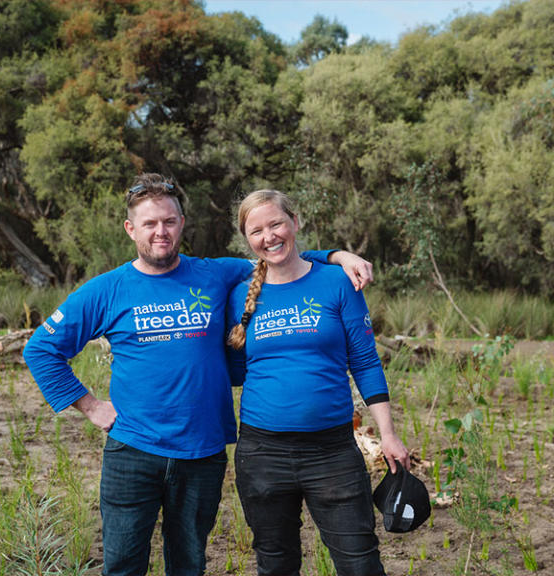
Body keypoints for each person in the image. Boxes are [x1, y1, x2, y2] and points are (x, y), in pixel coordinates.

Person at [23, 173, 373, 576]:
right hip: (133, 450)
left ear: (182, 224)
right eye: (150, 223)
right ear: (130, 228)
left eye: (169, 221)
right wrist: (89, 406)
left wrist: (336, 256)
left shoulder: (216, 273)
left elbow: (277, 252)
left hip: (202, 452)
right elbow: (41, 349)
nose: (160, 232)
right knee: (121, 565)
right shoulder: (106, 290)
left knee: (188, 565)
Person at [223, 189, 411, 575]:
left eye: (276, 223)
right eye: (256, 231)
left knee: (360, 563)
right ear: (247, 240)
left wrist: (388, 433)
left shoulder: (337, 282)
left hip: (332, 452)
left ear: (296, 221)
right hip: (262, 454)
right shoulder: (239, 294)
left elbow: (365, 361)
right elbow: (235, 369)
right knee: (276, 565)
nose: (269, 236)